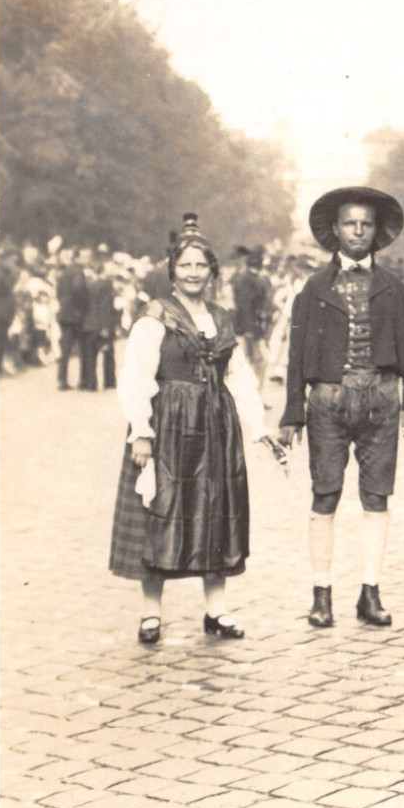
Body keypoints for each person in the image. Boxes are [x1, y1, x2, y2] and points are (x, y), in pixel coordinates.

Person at [109, 222, 278, 643]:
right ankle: (151, 615)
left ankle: (216, 611)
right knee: (160, 511)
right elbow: (136, 375)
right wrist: (141, 432)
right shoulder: (155, 317)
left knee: (216, 512)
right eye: (184, 265)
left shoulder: (221, 318)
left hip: (216, 430)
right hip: (169, 426)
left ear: (212, 271)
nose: (193, 272)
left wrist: (258, 426)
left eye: (201, 265)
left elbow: (238, 376)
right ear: (172, 270)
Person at [279, 186, 404, 629]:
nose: (358, 231)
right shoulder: (314, 287)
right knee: (325, 493)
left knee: (376, 495)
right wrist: (292, 411)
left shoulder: (394, 288)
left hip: (382, 396)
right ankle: (321, 594)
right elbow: (297, 350)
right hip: (327, 398)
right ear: (335, 230)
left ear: (377, 232)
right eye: (349, 223)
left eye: (365, 224)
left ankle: (370, 591)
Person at [231, 246, 274, 380]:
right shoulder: (248, 280)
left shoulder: (249, 278)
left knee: (257, 362)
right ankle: (254, 397)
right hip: (249, 328)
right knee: (255, 362)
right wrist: (249, 330)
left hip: (251, 327)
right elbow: (245, 306)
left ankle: (255, 397)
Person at [82, 249, 121, 391]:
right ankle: (109, 381)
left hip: (89, 323)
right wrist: (106, 327)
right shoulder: (107, 285)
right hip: (102, 323)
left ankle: (91, 383)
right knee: (108, 354)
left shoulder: (89, 284)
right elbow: (105, 307)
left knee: (91, 355)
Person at [55, 249, 91, 390]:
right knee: (83, 349)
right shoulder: (78, 272)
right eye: (85, 257)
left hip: (64, 314)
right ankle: (83, 381)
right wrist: (82, 308)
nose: (87, 260)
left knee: (65, 350)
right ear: (78, 258)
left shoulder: (64, 272)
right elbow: (78, 290)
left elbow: (58, 292)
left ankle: (61, 380)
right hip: (76, 316)